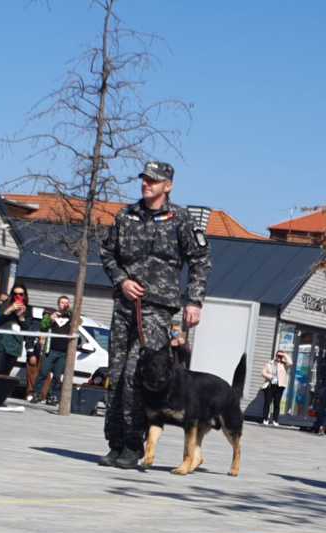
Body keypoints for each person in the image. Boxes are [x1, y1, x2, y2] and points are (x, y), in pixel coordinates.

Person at [96, 161, 212, 470]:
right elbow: (106, 253)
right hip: (124, 306)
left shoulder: (181, 219)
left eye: (153, 180)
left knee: (138, 373)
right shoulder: (125, 215)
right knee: (117, 374)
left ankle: (135, 445)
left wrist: (194, 301)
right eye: (145, 179)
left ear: (168, 185)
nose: (147, 183)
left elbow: (200, 260)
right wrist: (121, 280)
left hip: (158, 309)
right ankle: (116, 442)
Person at [33, 295, 74, 404]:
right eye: (62, 302)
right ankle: (37, 394)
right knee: (43, 372)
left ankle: (52, 396)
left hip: (63, 352)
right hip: (50, 350)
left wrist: (70, 310)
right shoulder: (51, 315)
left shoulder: (71, 318)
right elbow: (43, 326)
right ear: (58, 304)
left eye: (66, 303)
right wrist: (51, 319)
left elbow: (79, 321)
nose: (64, 304)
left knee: (57, 376)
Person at [259, 350, 291, 426]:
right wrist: (271, 377)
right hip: (270, 385)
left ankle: (275, 420)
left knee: (277, 403)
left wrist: (284, 354)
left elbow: (290, 362)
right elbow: (263, 372)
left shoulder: (284, 364)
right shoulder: (270, 363)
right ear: (275, 355)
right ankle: (265, 419)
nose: (279, 358)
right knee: (267, 403)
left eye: (280, 356)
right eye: (278, 356)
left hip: (279, 386)